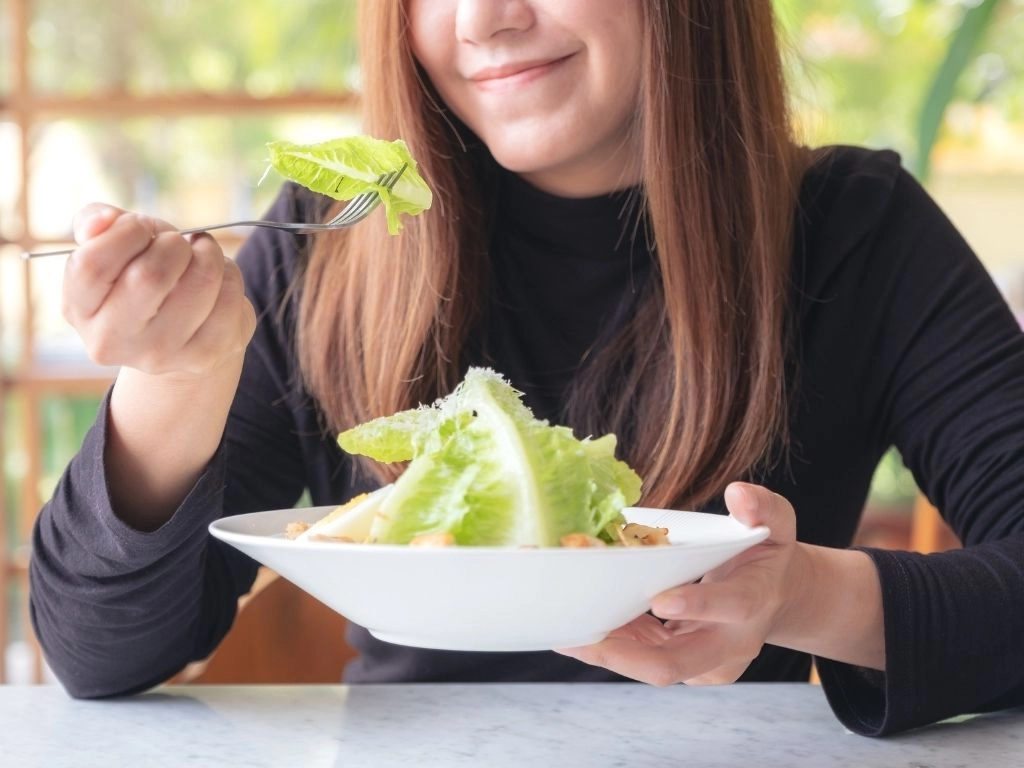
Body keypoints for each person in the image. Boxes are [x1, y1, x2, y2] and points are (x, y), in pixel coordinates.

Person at [29, 0, 1024, 738]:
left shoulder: (852, 232)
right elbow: (98, 655)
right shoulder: (333, 242)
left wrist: (797, 596)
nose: (483, 21)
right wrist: (175, 377)